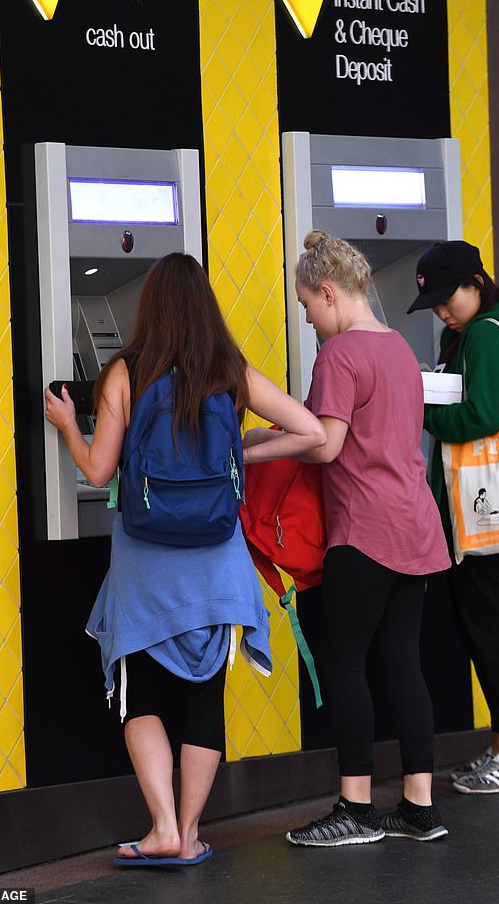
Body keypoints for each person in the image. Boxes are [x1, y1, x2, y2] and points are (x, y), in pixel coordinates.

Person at [44, 253, 326, 868]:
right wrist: (237, 459)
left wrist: (68, 423)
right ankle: (192, 833)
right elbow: (313, 434)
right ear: (204, 305)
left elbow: (97, 468)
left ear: (148, 306)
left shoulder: (125, 371)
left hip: (145, 564)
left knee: (141, 691)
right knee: (206, 697)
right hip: (216, 564)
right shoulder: (229, 370)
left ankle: (162, 826)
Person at [246, 231, 452, 844]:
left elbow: (324, 443)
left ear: (329, 293)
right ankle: (419, 808)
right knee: (402, 664)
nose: (308, 320)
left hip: (364, 531)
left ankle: (355, 809)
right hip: (416, 526)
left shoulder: (339, 355)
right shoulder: (398, 351)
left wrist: (247, 450)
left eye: (308, 307)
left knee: (344, 664)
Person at [407, 240, 499, 794]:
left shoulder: (486, 332)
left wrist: (424, 407)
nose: (443, 311)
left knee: (488, 619)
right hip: (473, 500)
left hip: (482, 501)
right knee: (479, 618)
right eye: (435, 304)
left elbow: (485, 414)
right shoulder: (472, 332)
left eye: (449, 298)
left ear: (478, 282)